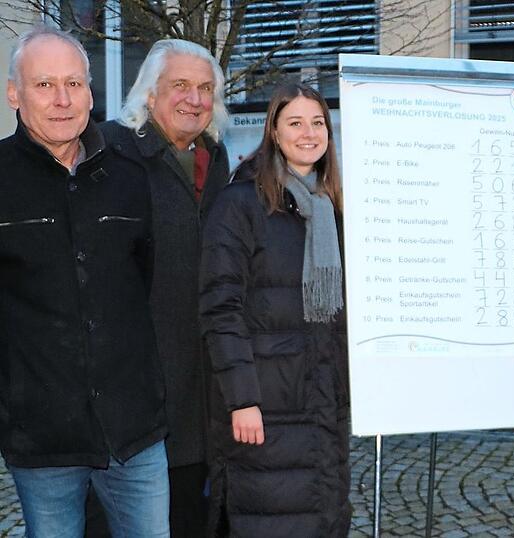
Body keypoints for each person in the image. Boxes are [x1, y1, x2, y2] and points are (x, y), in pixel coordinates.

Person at [0, 26, 169, 536]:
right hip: (42, 434)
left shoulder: (128, 176)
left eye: (74, 83)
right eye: (45, 84)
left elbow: (143, 281)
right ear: (15, 93)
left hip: (134, 429)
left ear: (91, 93)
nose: (62, 99)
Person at [91, 38, 230, 537]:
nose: (194, 99)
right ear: (150, 94)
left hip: (198, 387)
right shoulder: (111, 150)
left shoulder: (215, 160)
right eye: (181, 87)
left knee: (191, 514)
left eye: (205, 89)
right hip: (133, 389)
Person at [199, 82, 350, 537]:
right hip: (265, 406)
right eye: (295, 123)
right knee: (270, 518)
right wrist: (242, 399)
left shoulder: (335, 209)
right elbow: (220, 308)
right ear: (274, 133)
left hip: (324, 405)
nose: (309, 133)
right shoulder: (240, 203)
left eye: (318, 122)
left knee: (323, 515)